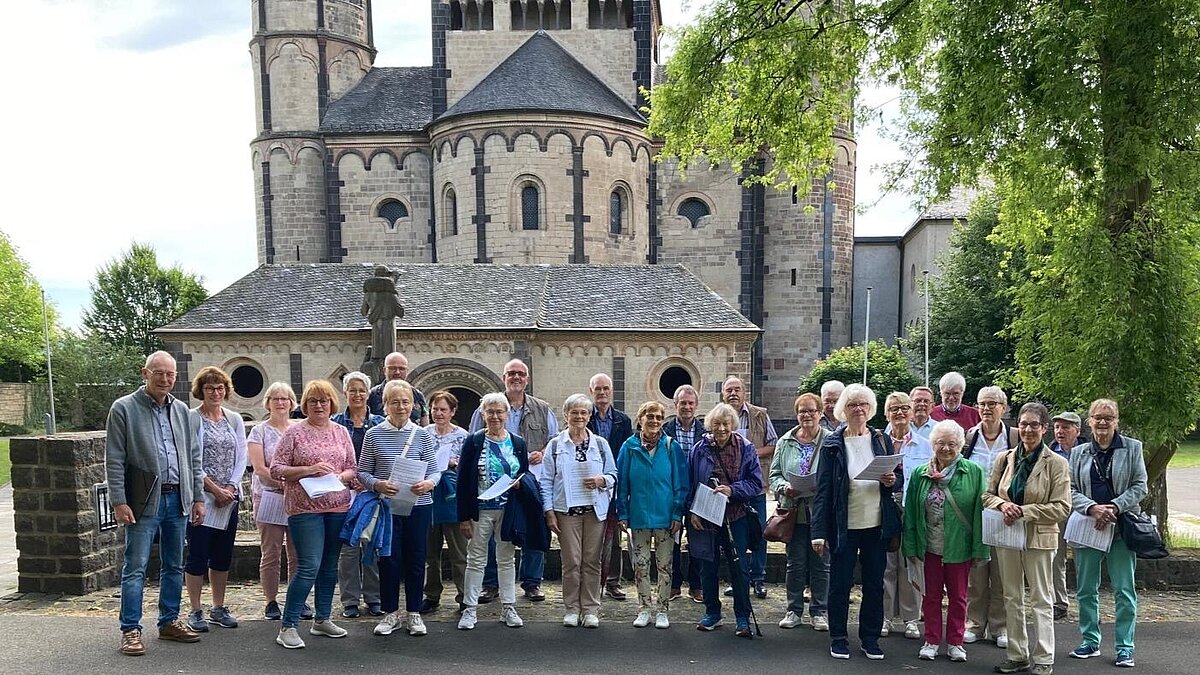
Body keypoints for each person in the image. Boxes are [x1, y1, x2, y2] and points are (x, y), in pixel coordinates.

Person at [106, 351, 205, 656]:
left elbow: (194, 458)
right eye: (158, 373)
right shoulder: (123, 408)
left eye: (170, 374)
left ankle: (169, 621)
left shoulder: (184, 412)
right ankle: (131, 630)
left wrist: (198, 496)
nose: (165, 379)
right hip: (143, 501)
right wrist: (120, 501)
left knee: (174, 564)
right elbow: (115, 459)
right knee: (135, 567)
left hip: (178, 499)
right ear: (144, 373)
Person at [810, 383, 903, 660]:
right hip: (844, 526)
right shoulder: (832, 445)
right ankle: (838, 637)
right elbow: (823, 489)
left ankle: (870, 638)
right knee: (840, 584)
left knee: (874, 584)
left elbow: (896, 477)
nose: (859, 409)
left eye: (863, 404)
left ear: (871, 408)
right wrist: (818, 532)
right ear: (843, 410)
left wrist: (891, 480)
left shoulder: (881, 439)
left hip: (876, 524)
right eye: (852, 405)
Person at [269, 379, 359, 649]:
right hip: (304, 508)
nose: (319, 405)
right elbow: (276, 469)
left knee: (330, 566)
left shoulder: (341, 432)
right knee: (308, 566)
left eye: (324, 400)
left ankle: (322, 619)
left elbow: (353, 469)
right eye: (313, 401)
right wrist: (308, 470)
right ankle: (288, 626)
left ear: (332, 404)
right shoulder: (294, 433)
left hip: (337, 506)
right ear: (304, 405)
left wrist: (339, 476)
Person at [983, 402, 1070, 675]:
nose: (1028, 429)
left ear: (1044, 428)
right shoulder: (1005, 458)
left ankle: (1044, 657)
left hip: (1039, 538)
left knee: (1041, 599)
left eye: (1034, 424)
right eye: (1023, 424)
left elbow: (1062, 506)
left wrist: (1024, 511)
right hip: (1008, 536)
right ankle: (1017, 654)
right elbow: (987, 495)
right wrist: (1001, 505)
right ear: (1017, 426)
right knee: (1011, 596)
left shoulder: (1056, 463)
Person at [1067, 399, 1146, 668]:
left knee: (1124, 590)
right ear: (1089, 421)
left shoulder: (1133, 448)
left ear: (1116, 421)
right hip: (1089, 527)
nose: (1102, 422)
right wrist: (1092, 508)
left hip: (1121, 528)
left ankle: (1125, 647)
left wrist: (1113, 507)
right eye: (1097, 417)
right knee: (1086, 589)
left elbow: (1140, 486)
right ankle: (1090, 641)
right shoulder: (1078, 453)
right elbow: (1070, 489)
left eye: (1108, 417)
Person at [357, 379, 439, 638]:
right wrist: (378, 484)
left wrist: (428, 483)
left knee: (416, 559)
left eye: (405, 402)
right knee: (389, 561)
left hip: (419, 506)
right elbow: (362, 472)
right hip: (387, 508)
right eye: (395, 402)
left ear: (413, 405)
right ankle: (390, 613)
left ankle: (414, 613)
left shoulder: (423, 435)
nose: (401, 407)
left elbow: (436, 471)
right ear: (385, 405)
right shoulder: (374, 434)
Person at [469, 359, 555, 601]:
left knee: (533, 528)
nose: (516, 377)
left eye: (521, 373)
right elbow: (474, 441)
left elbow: (555, 440)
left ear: (527, 379)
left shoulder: (542, 408)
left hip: (530, 481)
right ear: (504, 377)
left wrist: (544, 451)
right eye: (511, 373)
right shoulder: (486, 407)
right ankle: (491, 584)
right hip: (493, 484)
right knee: (493, 533)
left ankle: (532, 583)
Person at [904, 420, 989, 662]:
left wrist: (979, 549)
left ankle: (955, 642)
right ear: (933, 444)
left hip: (959, 545)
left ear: (960, 445)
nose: (946, 448)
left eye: (952, 443)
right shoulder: (921, 473)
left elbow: (979, 514)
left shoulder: (974, 471)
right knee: (930, 596)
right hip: (929, 544)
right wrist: (910, 546)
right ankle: (931, 639)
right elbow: (911, 511)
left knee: (959, 596)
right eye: (941, 443)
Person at [686, 403, 763, 638]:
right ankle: (712, 613)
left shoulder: (746, 448)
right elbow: (689, 483)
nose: (721, 428)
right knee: (707, 565)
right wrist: (692, 511)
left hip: (735, 516)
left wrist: (731, 489)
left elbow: (756, 483)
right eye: (717, 423)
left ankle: (742, 617)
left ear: (733, 425)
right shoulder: (699, 449)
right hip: (706, 515)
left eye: (726, 424)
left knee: (739, 567)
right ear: (710, 425)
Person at [542, 394, 619, 628]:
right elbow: (545, 480)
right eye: (574, 412)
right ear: (566, 415)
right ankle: (572, 608)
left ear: (589, 416)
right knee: (572, 561)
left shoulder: (601, 445)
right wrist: (549, 511)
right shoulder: (555, 445)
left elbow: (614, 475)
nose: (579, 417)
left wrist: (601, 480)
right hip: (567, 511)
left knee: (592, 561)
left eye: (584, 413)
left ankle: (590, 609)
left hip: (594, 510)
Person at [457, 392, 530, 630]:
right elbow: (462, 481)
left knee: (506, 559)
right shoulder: (474, 441)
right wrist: (464, 517)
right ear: (482, 414)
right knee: (476, 559)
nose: (495, 416)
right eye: (490, 412)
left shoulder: (518, 443)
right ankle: (469, 609)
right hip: (480, 511)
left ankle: (508, 607)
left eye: (500, 411)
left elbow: (525, 476)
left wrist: (520, 484)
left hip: (508, 511)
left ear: (507, 414)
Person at [184, 366, 249, 632]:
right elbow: (189, 459)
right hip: (202, 499)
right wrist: (213, 488)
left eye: (220, 388)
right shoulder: (191, 419)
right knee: (198, 555)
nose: (215, 392)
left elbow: (242, 454)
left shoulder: (233, 418)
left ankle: (218, 607)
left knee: (223, 556)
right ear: (201, 390)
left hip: (228, 499)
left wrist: (231, 487)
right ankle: (195, 610)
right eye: (210, 388)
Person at [616, 400, 687, 629]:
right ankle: (644, 608)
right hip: (638, 516)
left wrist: (677, 513)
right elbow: (622, 484)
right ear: (640, 419)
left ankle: (663, 609)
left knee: (665, 566)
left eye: (658, 417)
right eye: (650, 416)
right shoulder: (628, 447)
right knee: (641, 565)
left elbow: (680, 483)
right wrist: (622, 513)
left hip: (666, 518)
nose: (654, 421)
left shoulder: (670, 446)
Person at [248, 382, 310, 621]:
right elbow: (260, 468)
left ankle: (298, 600)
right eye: (276, 399)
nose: (281, 403)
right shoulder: (259, 431)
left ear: (292, 402)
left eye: (285, 398)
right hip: (269, 497)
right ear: (268, 403)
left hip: (297, 499)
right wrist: (283, 483)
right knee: (271, 552)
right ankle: (271, 601)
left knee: (297, 553)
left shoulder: (299, 428)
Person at [963, 385, 1019, 648]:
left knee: (1002, 572)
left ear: (1004, 408)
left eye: (992, 404)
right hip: (975, 512)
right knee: (977, 572)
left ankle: (999, 626)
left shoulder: (1015, 438)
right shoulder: (968, 437)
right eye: (982, 403)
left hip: (1006, 513)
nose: (986, 409)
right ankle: (974, 623)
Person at [769, 392, 830, 631]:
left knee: (821, 564)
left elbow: (839, 474)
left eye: (811, 410)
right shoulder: (785, 442)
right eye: (802, 411)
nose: (806, 415)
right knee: (794, 563)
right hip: (794, 511)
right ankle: (793, 610)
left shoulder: (831, 440)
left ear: (820, 413)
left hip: (820, 512)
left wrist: (823, 487)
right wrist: (785, 487)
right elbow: (773, 476)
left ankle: (819, 611)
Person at [332, 371, 386, 619]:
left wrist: (368, 482)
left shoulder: (378, 424)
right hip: (344, 491)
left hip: (371, 491)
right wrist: (350, 479)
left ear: (368, 394)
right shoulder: (335, 423)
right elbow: (331, 457)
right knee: (349, 546)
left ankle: (374, 598)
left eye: (361, 390)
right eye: (352, 390)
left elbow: (384, 458)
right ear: (345, 393)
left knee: (371, 544)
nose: (357, 394)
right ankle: (350, 600)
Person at [721, 376, 777, 599]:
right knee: (735, 535)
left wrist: (749, 452)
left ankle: (758, 578)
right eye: (729, 390)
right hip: (731, 488)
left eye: (737, 389)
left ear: (744, 393)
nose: (733, 393)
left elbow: (773, 444)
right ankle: (738, 579)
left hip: (755, 486)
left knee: (758, 532)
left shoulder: (759, 414)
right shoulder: (720, 416)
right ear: (723, 395)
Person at [881, 391, 929, 639]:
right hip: (885, 509)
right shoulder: (877, 442)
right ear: (886, 413)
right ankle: (885, 616)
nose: (899, 413)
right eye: (894, 409)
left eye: (904, 408)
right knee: (886, 565)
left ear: (912, 412)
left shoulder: (925, 445)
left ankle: (911, 618)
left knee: (911, 563)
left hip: (913, 509)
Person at [420, 390, 470, 614]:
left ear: (452, 412)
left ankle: (464, 596)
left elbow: (470, 467)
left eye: (443, 409)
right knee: (430, 553)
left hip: (453, 498)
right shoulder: (422, 433)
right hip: (427, 497)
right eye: (435, 409)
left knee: (459, 553)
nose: (438, 413)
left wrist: (453, 462)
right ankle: (431, 595)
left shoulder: (463, 436)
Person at [587, 373, 635, 601]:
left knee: (614, 536)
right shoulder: (586, 417)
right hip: (591, 484)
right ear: (591, 392)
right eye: (598, 389)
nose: (602, 393)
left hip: (615, 484)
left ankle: (613, 581)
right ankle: (593, 581)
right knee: (593, 535)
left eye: (606, 388)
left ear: (612, 391)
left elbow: (626, 454)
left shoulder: (622, 421)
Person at [664, 384, 705, 603]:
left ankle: (696, 586)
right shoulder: (665, 430)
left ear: (696, 405)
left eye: (690, 403)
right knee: (673, 539)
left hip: (698, 492)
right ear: (675, 405)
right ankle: (674, 584)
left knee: (697, 538)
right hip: (671, 492)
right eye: (683, 403)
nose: (686, 407)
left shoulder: (706, 431)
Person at [1050, 411, 1082, 620]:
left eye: (1066, 428)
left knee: (1084, 559)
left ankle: (1088, 604)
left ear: (1077, 431)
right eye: (1057, 427)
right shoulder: (1049, 452)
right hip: (1058, 508)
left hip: (1082, 509)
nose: (1060, 432)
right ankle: (1059, 603)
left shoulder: (1087, 451)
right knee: (1056, 557)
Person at [367, 351, 428, 425]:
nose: (397, 372)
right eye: (393, 368)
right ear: (384, 370)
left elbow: (424, 426)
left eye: (401, 369)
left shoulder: (417, 395)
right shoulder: (372, 395)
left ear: (407, 371)